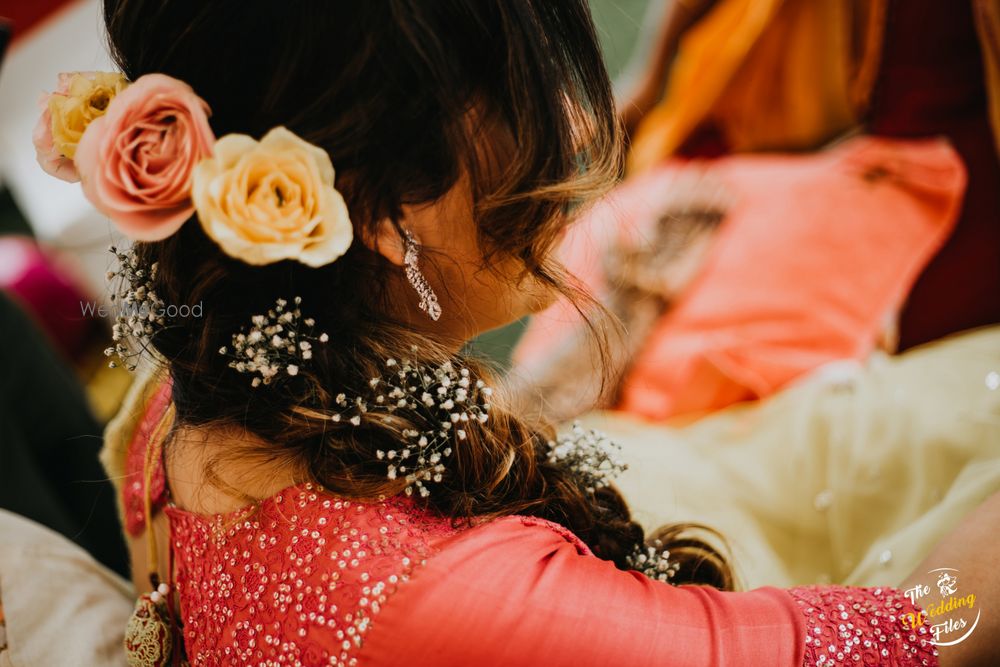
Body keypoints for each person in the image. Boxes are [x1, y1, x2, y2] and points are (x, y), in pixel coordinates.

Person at [34, 1, 997, 664]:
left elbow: (441, 458)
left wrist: (613, 331)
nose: (578, 119)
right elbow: (909, 637)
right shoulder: (437, 598)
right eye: (530, 91)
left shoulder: (194, 399)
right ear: (386, 206)